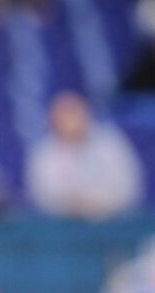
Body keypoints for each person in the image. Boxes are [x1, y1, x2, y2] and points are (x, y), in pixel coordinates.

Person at [25, 90, 144, 220]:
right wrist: (70, 203)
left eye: (74, 112)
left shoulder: (110, 143)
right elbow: (40, 195)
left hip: (111, 221)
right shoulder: (43, 152)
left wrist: (97, 203)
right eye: (64, 114)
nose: (70, 120)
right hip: (62, 225)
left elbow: (128, 187)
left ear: (87, 113)